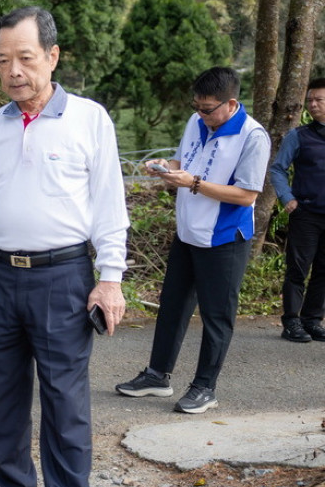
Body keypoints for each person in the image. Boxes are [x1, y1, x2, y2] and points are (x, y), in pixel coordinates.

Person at [0, 7, 129, 487]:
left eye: (25, 58)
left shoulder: (89, 120)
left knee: (66, 407)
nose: (14, 71)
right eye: (3, 60)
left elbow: (108, 205)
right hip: (0, 278)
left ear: (52, 57)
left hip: (65, 278)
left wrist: (111, 277)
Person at [116, 67, 271, 413]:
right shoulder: (196, 122)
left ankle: (205, 387)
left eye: (208, 109)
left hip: (225, 238)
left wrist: (194, 184)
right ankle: (157, 376)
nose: (201, 114)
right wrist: (165, 167)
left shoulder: (252, 136)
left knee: (217, 316)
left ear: (230, 103)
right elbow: (182, 162)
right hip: (188, 232)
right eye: (197, 106)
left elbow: (246, 195)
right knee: (172, 306)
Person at [269, 78, 325, 343]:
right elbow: (278, 168)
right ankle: (291, 321)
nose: (313, 105)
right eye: (310, 100)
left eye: (319, 100)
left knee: (323, 271)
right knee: (298, 270)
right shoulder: (298, 135)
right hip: (306, 214)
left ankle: (312, 321)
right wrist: (286, 197)